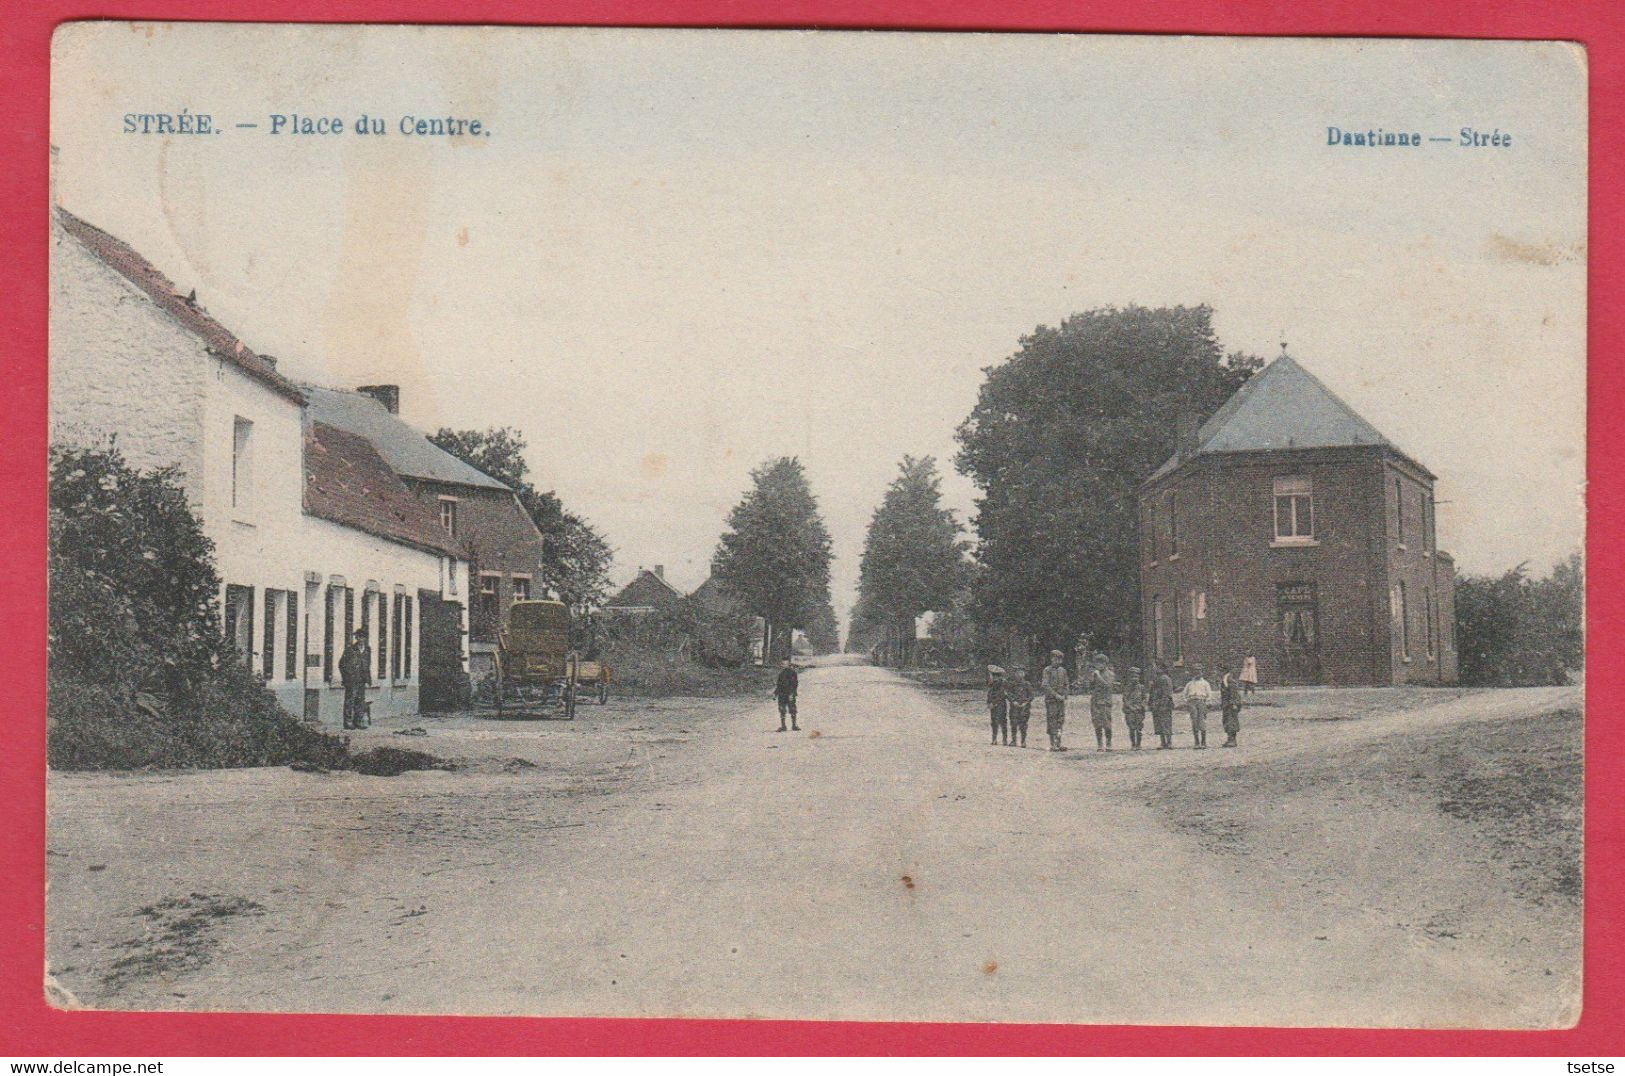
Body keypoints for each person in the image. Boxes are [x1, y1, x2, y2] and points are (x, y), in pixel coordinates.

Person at [339, 627, 371, 730]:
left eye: (362, 637)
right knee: (350, 701)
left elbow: (367, 665)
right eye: (358, 637)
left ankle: (358, 722)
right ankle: (348, 722)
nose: (360, 639)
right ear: (356, 638)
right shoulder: (350, 649)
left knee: (360, 701)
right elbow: (341, 664)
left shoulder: (367, 650)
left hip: (362, 680)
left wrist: (368, 679)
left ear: (365, 638)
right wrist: (347, 677)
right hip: (352, 680)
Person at [1041, 649, 1070, 752]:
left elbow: (1066, 684)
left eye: (1059, 659)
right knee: (1052, 721)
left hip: (1060, 701)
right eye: (1055, 659)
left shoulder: (1063, 671)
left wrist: (1065, 695)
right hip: (1051, 700)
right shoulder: (1047, 670)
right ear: (1051, 659)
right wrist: (1056, 695)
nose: (1057, 661)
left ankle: (1058, 743)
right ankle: (1052, 744)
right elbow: (1045, 685)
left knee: (1060, 721)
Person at [1087, 652, 1116, 751]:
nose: (1098, 665)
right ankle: (1100, 744)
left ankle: (1109, 743)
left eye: (1101, 663)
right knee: (1097, 724)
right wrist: (1092, 678)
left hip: (1105, 702)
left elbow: (1108, 686)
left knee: (1107, 724)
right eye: (1097, 663)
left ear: (1105, 664)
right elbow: (1090, 687)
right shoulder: (1095, 674)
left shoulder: (1110, 674)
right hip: (1095, 702)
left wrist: (1098, 676)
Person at [1183, 664, 1212, 749]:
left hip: (1201, 702)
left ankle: (1203, 742)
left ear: (1202, 672)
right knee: (1194, 721)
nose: (1197, 673)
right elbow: (1184, 694)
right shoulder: (1189, 684)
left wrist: (1207, 702)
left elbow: (1209, 694)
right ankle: (1196, 742)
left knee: (1202, 721)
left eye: (1199, 671)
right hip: (1192, 702)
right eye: (1195, 671)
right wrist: (1187, 701)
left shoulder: (1205, 683)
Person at [1149, 662, 1175, 749]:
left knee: (1166, 723)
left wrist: (1163, 703)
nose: (1155, 669)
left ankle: (1169, 742)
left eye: (1157, 667)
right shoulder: (1156, 678)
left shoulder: (1165, 678)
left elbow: (1167, 693)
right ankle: (1163, 742)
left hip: (1164, 704)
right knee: (1159, 723)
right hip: (1156, 704)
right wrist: (1151, 702)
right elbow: (1152, 692)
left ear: (1163, 669)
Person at [1006, 667, 1033, 748]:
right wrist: (1013, 701)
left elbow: (1031, 696)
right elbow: (1008, 694)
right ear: (1014, 674)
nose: (1019, 675)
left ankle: (1023, 741)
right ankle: (1014, 740)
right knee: (1013, 723)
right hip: (1014, 707)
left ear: (1024, 674)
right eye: (1017, 673)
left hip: (1024, 708)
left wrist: (1026, 702)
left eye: (1021, 672)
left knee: (1023, 724)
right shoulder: (1012, 684)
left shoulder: (1027, 684)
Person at [1122, 667, 1148, 750]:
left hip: (1139, 710)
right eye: (1133, 676)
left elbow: (1144, 697)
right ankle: (1133, 744)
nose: (1135, 678)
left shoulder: (1141, 687)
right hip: (1130, 710)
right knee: (1132, 728)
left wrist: (1142, 705)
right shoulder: (1127, 687)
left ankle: (1139, 744)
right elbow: (1125, 698)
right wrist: (1130, 707)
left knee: (1139, 728)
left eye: (1136, 676)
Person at [1219, 662, 1243, 747]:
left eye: (1221, 670)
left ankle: (1232, 740)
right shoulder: (1226, 678)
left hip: (1230, 704)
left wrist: (1233, 703)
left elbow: (1233, 691)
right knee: (1227, 721)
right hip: (1227, 704)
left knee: (1230, 721)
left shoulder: (1228, 679)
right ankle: (1230, 739)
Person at [986, 665, 1009, 746]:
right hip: (993, 705)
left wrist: (993, 703)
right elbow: (989, 694)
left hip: (1000, 704)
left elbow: (1002, 694)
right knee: (994, 721)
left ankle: (1004, 739)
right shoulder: (992, 684)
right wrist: (989, 703)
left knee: (1003, 721)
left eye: (993, 675)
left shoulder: (1003, 683)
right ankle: (994, 739)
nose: (992, 677)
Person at [775, 658, 800, 732]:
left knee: (792, 709)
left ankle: (794, 725)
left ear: (789, 664)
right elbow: (779, 685)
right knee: (782, 709)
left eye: (785, 664)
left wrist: (792, 694)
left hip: (789, 694)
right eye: (782, 664)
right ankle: (783, 726)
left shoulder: (792, 673)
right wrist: (775, 693)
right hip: (782, 694)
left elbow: (794, 684)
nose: (784, 665)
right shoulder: (781, 674)